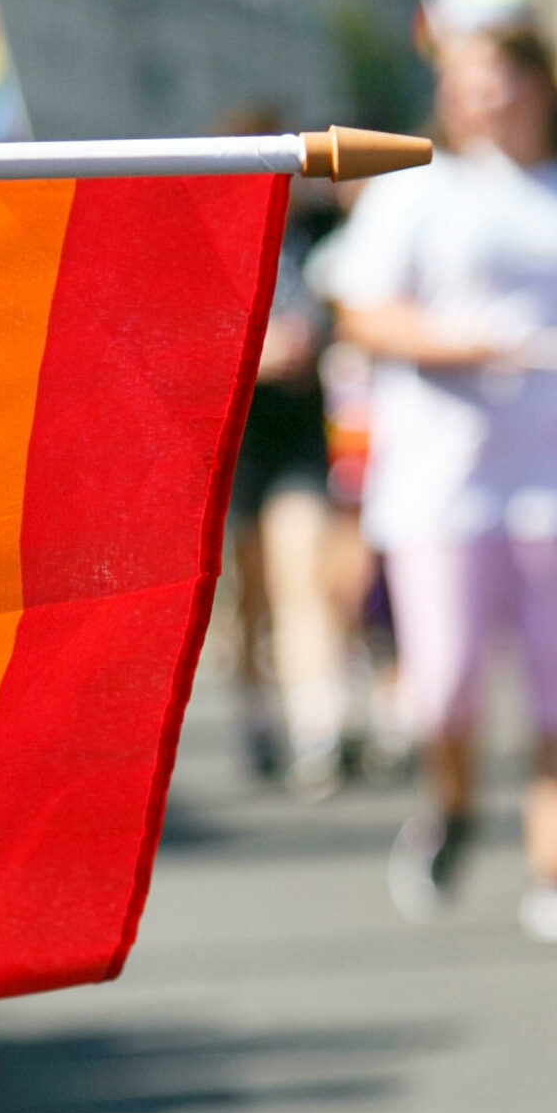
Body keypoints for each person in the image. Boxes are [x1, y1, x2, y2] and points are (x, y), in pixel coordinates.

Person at [330, 25, 557, 944]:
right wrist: (456, 345)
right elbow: (362, 310)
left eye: (502, 82)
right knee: (443, 689)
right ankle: (452, 804)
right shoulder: (414, 195)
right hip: (441, 478)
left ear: (541, 89)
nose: (484, 100)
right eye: (465, 83)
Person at [210, 104, 356, 799]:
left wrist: (313, 339)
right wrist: (249, 354)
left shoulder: (315, 235)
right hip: (229, 439)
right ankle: (257, 715)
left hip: (297, 430)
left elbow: (346, 305)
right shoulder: (204, 240)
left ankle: (317, 729)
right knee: (246, 599)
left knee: (303, 581)